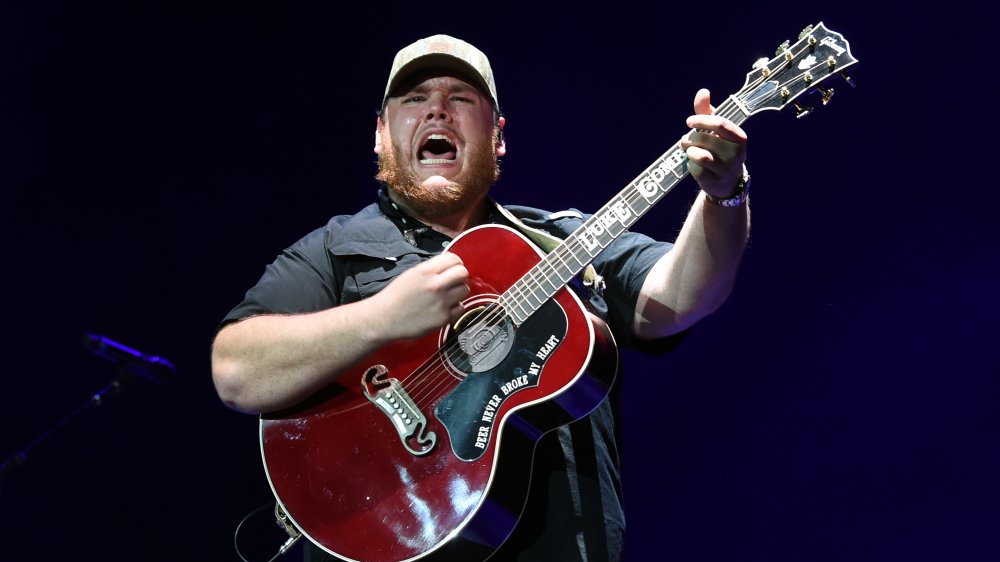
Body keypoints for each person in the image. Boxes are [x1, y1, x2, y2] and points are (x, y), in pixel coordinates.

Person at [212, 34, 749, 562]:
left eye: (461, 100)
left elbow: (682, 297)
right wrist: (380, 318)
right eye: (414, 99)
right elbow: (236, 371)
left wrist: (724, 194)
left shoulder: (566, 241)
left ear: (497, 136)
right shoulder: (334, 249)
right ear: (380, 134)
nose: (438, 112)